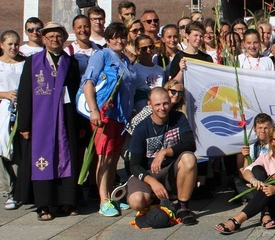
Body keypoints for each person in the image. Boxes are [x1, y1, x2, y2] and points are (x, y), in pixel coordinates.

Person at [16, 22, 82, 221]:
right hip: (40, 121)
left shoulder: (71, 63)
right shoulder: (33, 62)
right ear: (44, 39)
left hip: (66, 120)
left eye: (59, 36)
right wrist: (24, 124)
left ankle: (66, 202)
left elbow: (77, 93)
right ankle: (43, 205)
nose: (55, 39)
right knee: (42, 161)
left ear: (64, 38)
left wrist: (79, 124)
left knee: (66, 158)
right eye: (50, 36)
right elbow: (25, 93)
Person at [81, 22, 136, 217]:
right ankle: (103, 200)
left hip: (121, 117)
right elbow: (88, 82)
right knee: (104, 157)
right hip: (104, 114)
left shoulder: (125, 60)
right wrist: (94, 110)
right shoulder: (101, 56)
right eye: (115, 37)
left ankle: (111, 197)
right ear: (108, 39)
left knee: (113, 158)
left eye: (122, 37)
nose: (119, 40)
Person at [124, 87, 198, 225]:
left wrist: (164, 152)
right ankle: (156, 198)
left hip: (170, 170)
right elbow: (134, 165)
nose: (162, 108)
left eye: (165, 103)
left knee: (189, 158)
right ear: (149, 104)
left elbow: (190, 144)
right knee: (137, 202)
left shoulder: (179, 118)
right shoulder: (141, 128)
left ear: (170, 102)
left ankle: (183, 207)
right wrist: (152, 182)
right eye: (157, 104)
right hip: (147, 173)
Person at [215, 123, 275, 234]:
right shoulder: (267, 156)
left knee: (265, 188)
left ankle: (238, 220)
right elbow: (247, 170)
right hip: (271, 198)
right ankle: (265, 213)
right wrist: (254, 181)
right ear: (272, 141)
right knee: (257, 169)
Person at [0, 30, 25, 210]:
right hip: (3, 110)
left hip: (21, 110)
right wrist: (5, 94)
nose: (13, 47)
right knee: (3, 148)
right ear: (2, 45)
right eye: (9, 44)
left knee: (19, 149)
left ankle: (20, 189)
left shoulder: (24, 63)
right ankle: (8, 189)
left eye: (16, 44)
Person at [132, 34, 166, 112]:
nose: (148, 50)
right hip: (141, 110)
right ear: (137, 51)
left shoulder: (160, 70)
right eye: (144, 48)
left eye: (151, 47)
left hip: (159, 109)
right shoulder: (134, 69)